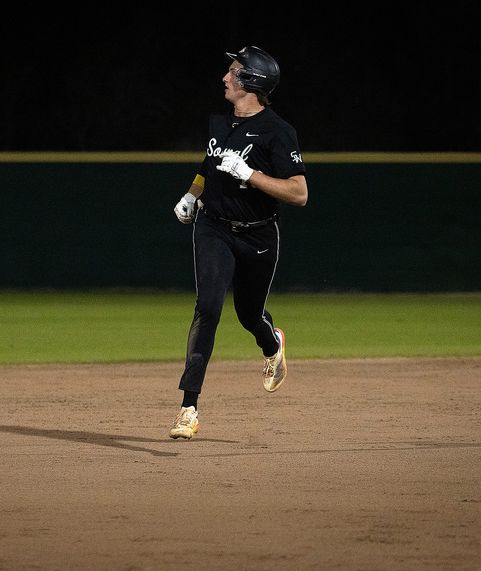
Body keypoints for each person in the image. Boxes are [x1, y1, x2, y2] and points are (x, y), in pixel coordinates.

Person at [169, 46, 308, 439]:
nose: (225, 78)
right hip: (212, 227)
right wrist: (192, 194)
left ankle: (271, 341)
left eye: (233, 72)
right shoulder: (218, 123)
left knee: (249, 314)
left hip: (258, 234)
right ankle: (188, 408)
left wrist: (251, 175)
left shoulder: (279, 132)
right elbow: (208, 166)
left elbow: (299, 193)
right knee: (208, 307)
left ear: (253, 82)